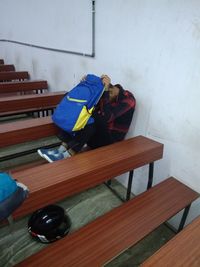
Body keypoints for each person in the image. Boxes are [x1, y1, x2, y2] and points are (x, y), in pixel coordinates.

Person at [38, 75, 136, 162]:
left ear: (111, 93)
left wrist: (105, 93)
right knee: (79, 114)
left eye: (105, 95)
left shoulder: (128, 100)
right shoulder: (107, 94)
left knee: (94, 119)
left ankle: (67, 155)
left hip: (111, 141)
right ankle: (61, 150)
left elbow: (107, 117)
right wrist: (83, 84)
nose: (103, 99)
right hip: (95, 134)